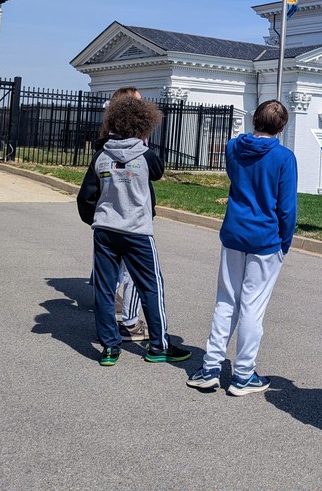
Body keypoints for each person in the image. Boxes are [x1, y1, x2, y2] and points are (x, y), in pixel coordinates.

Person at [186, 100, 298, 395]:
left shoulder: (233, 147)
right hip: (265, 237)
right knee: (252, 305)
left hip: (235, 231)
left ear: (253, 121)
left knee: (226, 300)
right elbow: (287, 208)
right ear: (282, 127)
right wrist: (284, 242)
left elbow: (235, 172)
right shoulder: (284, 157)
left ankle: (211, 365)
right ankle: (243, 373)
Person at [77, 97, 191, 366]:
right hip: (137, 230)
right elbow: (158, 173)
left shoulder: (101, 156)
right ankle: (158, 345)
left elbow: (86, 197)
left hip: (105, 229)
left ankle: (109, 347)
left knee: (105, 288)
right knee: (151, 286)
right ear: (144, 124)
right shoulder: (146, 155)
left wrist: (96, 219)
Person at [94, 86, 148, 343]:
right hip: (130, 219)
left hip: (108, 219)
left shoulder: (106, 145)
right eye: (137, 102)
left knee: (114, 271)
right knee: (134, 272)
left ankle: (113, 322)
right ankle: (129, 321)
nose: (142, 105)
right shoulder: (127, 143)